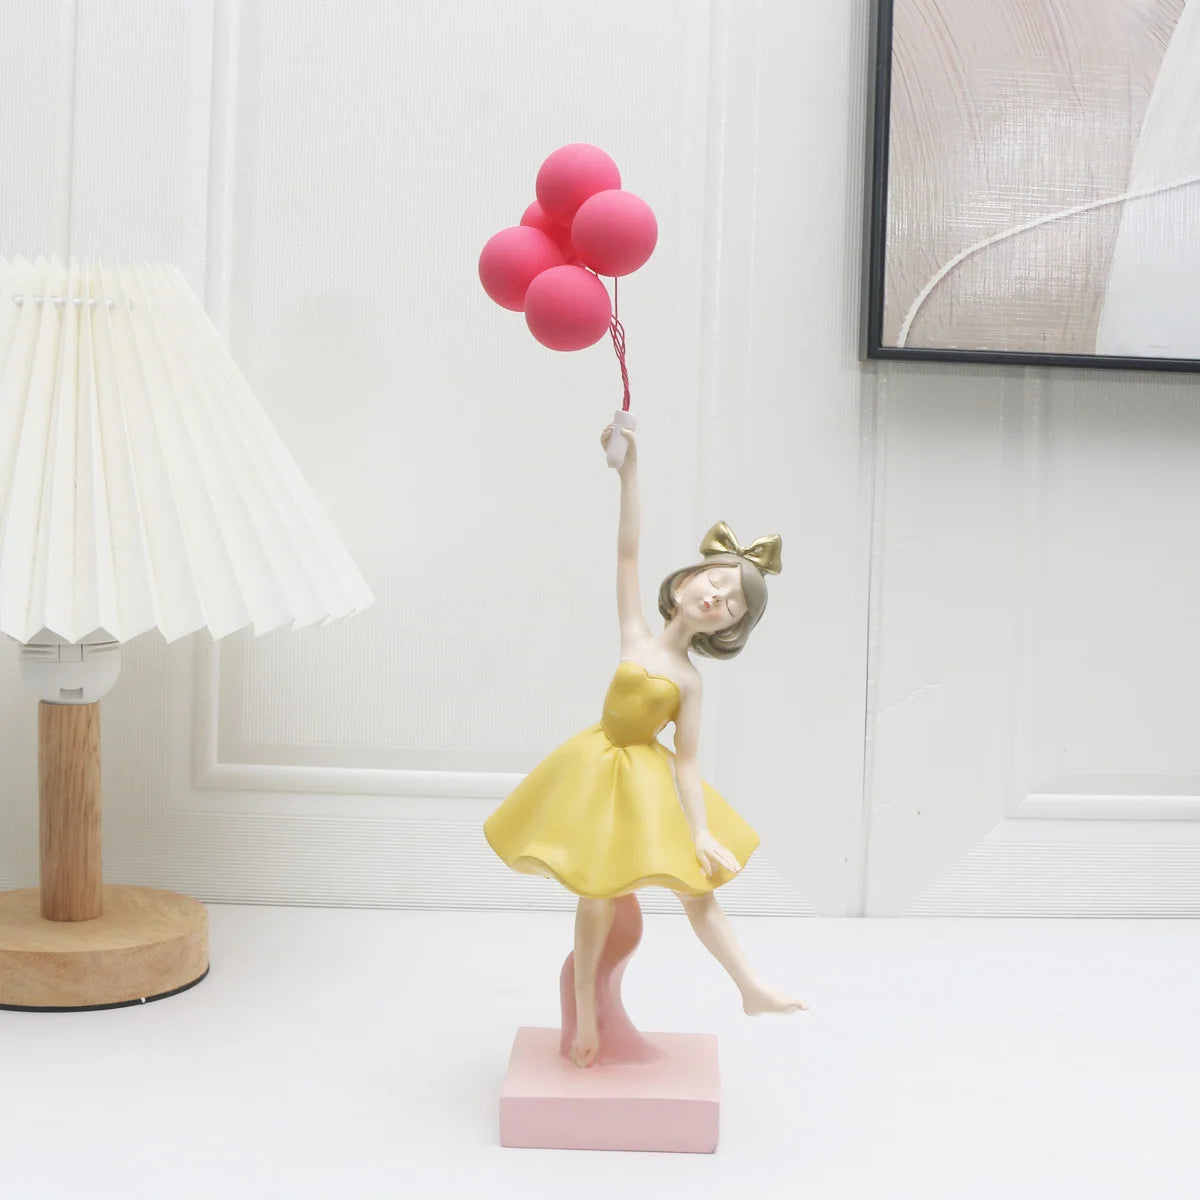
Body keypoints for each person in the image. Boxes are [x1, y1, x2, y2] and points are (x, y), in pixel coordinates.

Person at [485, 424, 805, 1067]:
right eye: (715, 582)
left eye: (732, 605)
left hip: (645, 784)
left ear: (730, 627)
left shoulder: (689, 682)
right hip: (593, 771)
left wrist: (701, 831)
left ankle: (750, 987)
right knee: (595, 893)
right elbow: (627, 552)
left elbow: (686, 762)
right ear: (687, 580)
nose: (716, 598)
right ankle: (586, 1018)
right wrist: (629, 472)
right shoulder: (635, 634)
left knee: (697, 888)